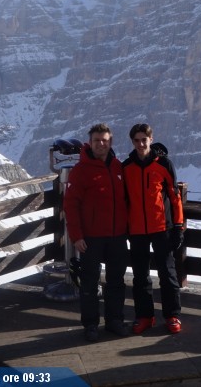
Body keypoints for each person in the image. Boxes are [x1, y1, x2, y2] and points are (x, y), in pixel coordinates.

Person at [63, 123, 130, 342]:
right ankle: (91, 324)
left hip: (117, 235)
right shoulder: (80, 170)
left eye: (104, 140)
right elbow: (70, 204)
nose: (101, 144)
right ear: (89, 143)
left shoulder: (118, 167)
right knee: (89, 282)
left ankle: (114, 320)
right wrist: (77, 236)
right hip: (91, 237)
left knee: (116, 281)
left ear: (110, 142)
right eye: (96, 140)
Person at [122, 123, 185, 335]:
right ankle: (145, 316)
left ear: (151, 139)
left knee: (167, 273)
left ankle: (172, 315)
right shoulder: (126, 167)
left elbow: (175, 197)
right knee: (140, 275)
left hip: (161, 227)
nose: (141, 144)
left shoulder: (164, 164)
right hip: (137, 230)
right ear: (132, 142)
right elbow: (124, 200)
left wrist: (178, 227)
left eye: (144, 139)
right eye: (137, 140)